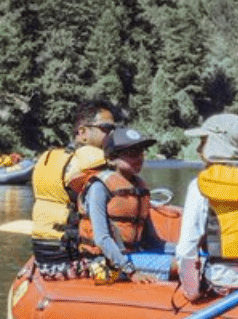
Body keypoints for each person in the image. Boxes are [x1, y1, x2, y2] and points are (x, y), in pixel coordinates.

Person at [174, 113, 238, 299]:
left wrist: (192, 293)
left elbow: (185, 250)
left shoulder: (199, 186)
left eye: (203, 141)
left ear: (216, 143)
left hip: (222, 281)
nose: (199, 148)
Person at [30, 99, 116, 273]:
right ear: (83, 132)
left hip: (44, 254)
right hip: (75, 257)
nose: (112, 134)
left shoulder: (49, 157)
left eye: (114, 129)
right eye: (106, 129)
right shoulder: (93, 160)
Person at [77, 126, 173, 281]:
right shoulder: (99, 187)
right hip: (102, 264)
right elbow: (101, 239)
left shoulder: (139, 188)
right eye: (131, 153)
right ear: (112, 158)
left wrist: (183, 250)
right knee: (182, 265)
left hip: (131, 256)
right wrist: (131, 271)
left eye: (141, 152)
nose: (139, 158)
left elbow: (152, 241)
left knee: (194, 259)